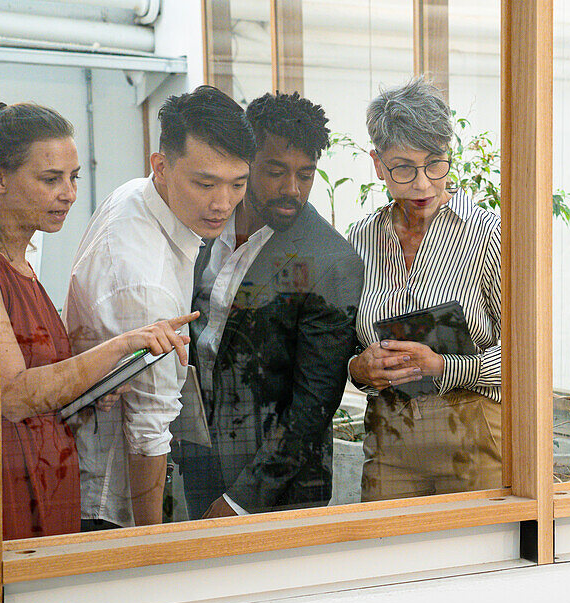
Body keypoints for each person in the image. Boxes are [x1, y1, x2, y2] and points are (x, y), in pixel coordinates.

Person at [0, 102, 194, 544]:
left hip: (45, 479)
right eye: (51, 179)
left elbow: (42, 382)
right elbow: (11, 396)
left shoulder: (21, 265)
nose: (68, 194)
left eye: (73, 178)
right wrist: (126, 344)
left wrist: (91, 390)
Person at [64, 86, 254, 530]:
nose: (222, 202)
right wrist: (150, 547)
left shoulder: (138, 195)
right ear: (161, 166)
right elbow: (148, 434)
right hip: (108, 501)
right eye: (205, 183)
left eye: (237, 184)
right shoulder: (144, 280)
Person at [192, 91, 363, 519]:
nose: (292, 190)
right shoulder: (204, 227)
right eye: (275, 171)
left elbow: (314, 403)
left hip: (278, 493)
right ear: (245, 162)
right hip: (198, 459)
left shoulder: (330, 262)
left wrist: (241, 501)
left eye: (305, 175)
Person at [347, 78, 503, 500]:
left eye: (435, 164)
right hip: (390, 433)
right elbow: (342, 347)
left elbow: (527, 353)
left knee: (481, 560)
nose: (422, 184)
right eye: (403, 168)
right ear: (377, 164)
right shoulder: (359, 240)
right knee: (389, 556)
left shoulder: (488, 234)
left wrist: (443, 366)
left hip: (474, 432)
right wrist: (360, 369)